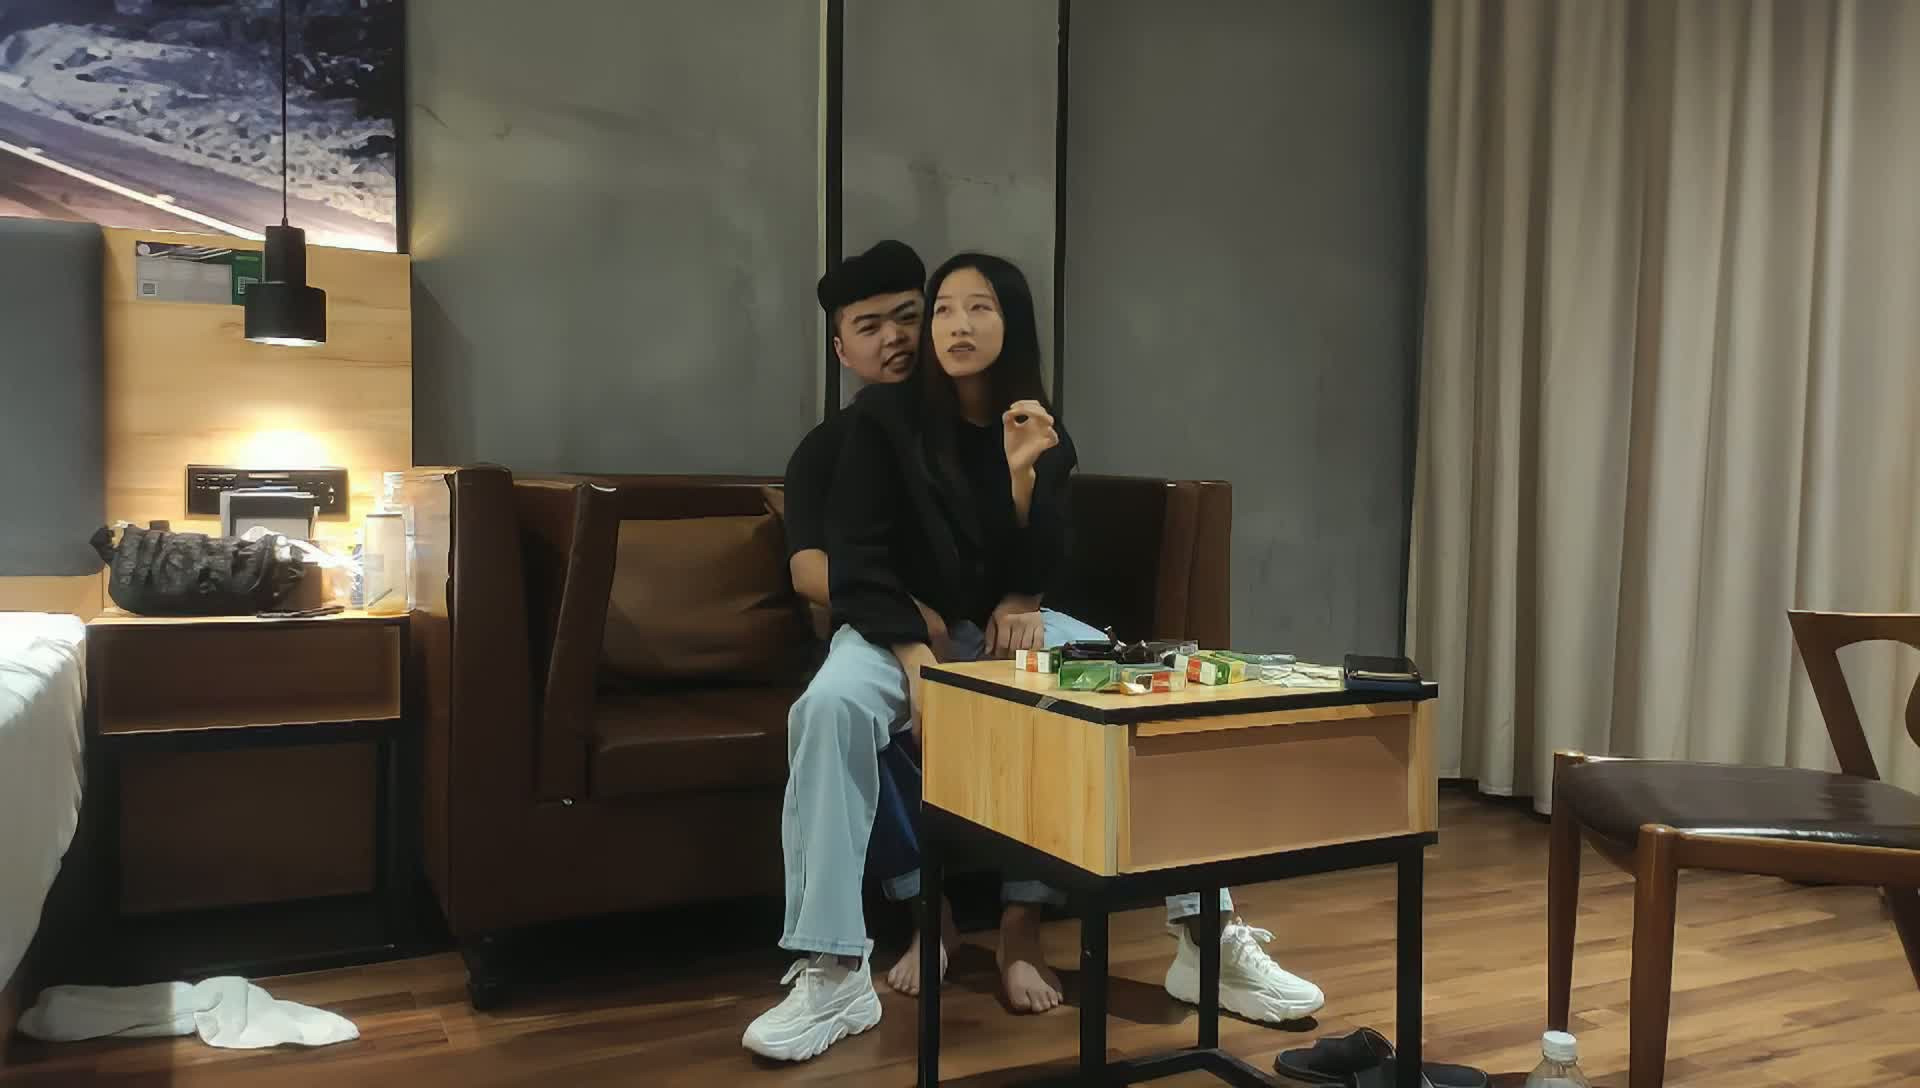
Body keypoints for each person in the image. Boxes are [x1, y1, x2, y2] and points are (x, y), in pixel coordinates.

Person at [745, 253, 1323, 1064]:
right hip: (889, 632)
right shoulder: (876, 425)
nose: (948, 327)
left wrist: (1022, 498)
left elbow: (1037, 562)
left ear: (1010, 322)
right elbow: (853, 564)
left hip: (999, 626)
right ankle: (834, 970)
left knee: (1146, 690)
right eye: (943, 310)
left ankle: (1208, 936)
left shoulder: (1037, 427)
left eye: (970, 308)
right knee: (829, 707)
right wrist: (917, 656)